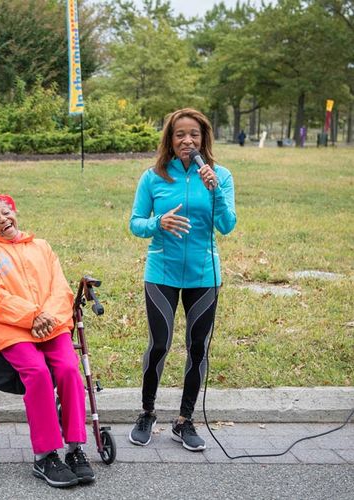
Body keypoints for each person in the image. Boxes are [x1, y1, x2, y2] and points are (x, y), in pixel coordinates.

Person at [128, 108, 236, 452]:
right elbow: (135, 223)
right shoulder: (153, 177)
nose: (187, 140)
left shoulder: (221, 176)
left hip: (204, 275)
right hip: (161, 273)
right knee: (159, 344)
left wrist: (215, 191)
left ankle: (185, 420)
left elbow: (227, 225)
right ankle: (147, 412)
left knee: (198, 347)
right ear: (169, 141)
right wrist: (158, 222)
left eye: (194, 134)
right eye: (179, 135)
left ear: (204, 138)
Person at [0, 194, 93, 488]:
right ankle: (45, 456)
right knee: (37, 373)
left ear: (15, 213)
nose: (3, 221)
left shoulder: (42, 247)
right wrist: (32, 317)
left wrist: (46, 316)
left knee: (68, 370)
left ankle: (75, 449)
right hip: (11, 327)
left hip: (51, 323)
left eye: (5, 213)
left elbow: (60, 288)